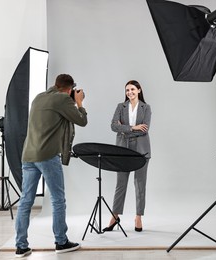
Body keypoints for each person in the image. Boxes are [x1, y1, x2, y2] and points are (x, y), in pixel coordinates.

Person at [14, 74, 87, 258]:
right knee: (58, 199)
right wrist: (79, 102)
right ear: (69, 89)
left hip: (28, 155)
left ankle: (21, 246)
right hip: (47, 156)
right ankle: (61, 242)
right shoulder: (63, 99)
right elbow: (81, 120)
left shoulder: (39, 97)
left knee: (25, 201)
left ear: (56, 84)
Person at [104, 80, 151, 233]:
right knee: (121, 184)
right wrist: (133, 127)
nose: (129, 92)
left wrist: (124, 129)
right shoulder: (120, 106)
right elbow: (113, 126)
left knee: (140, 184)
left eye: (132, 89)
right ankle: (115, 216)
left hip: (141, 149)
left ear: (139, 90)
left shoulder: (146, 108)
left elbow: (144, 129)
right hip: (123, 149)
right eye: (127, 90)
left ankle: (138, 216)